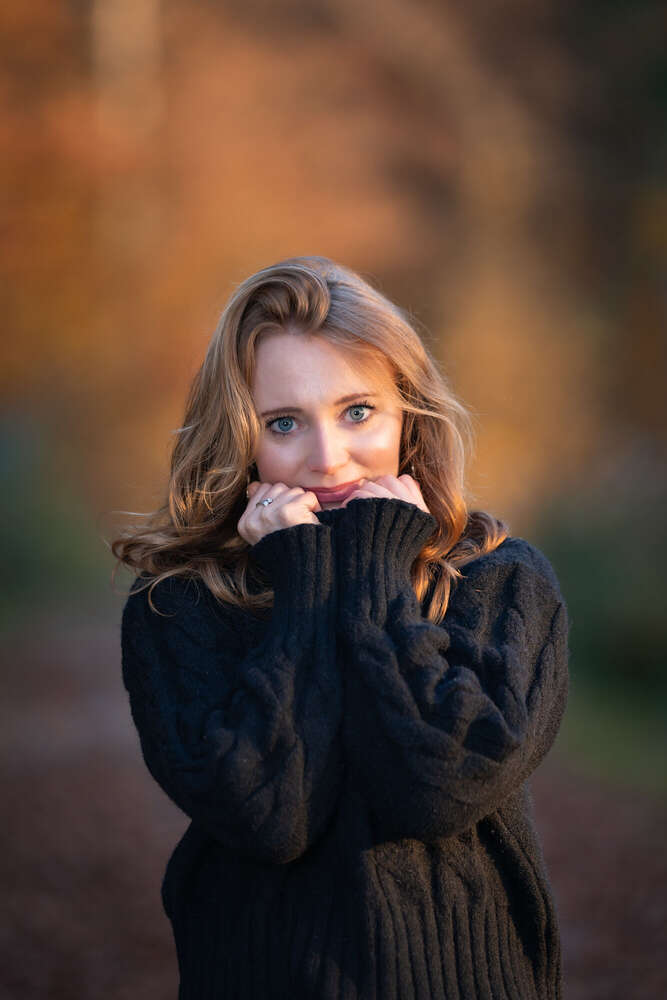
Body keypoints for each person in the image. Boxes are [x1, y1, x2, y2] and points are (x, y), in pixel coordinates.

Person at [113, 255, 570, 1000]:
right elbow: (266, 817)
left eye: (358, 412)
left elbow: (439, 789)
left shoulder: (499, 581)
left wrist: (373, 574)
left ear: (409, 414)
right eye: (283, 423)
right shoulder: (181, 603)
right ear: (240, 438)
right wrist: (304, 589)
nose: (327, 460)